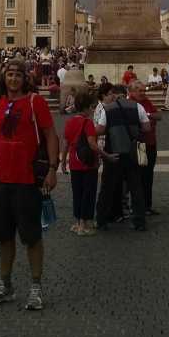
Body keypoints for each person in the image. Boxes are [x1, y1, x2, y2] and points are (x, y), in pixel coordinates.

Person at [0, 57, 59, 311]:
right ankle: (5, 284)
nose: (13, 79)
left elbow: (50, 134)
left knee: (32, 237)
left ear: (25, 78)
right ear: (4, 78)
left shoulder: (36, 103)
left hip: (29, 180)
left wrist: (52, 168)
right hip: (2, 179)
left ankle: (36, 287)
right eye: (10, 74)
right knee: (4, 237)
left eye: (18, 75)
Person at [95, 85, 150, 231]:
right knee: (136, 187)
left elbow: (100, 129)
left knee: (107, 188)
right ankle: (139, 221)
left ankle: (101, 219)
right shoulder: (137, 107)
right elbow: (146, 128)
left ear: (115, 95)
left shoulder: (107, 109)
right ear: (126, 94)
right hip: (132, 153)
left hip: (113, 153)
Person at [61, 85, 99, 235]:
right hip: (88, 163)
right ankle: (84, 225)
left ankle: (77, 222)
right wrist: (105, 154)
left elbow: (65, 143)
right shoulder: (88, 122)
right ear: (88, 107)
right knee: (88, 193)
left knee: (77, 192)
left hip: (74, 162)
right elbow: (92, 144)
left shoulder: (70, 122)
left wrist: (63, 161)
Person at [129, 79, 162, 216]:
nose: (143, 93)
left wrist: (147, 115)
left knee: (148, 176)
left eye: (144, 90)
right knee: (139, 176)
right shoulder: (130, 104)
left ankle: (147, 205)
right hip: (139, 145)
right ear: (132, 91)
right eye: (140, 91)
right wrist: (149, 117)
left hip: (150, 143)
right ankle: (137, 206)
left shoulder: (146, 101)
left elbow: (159, 116)